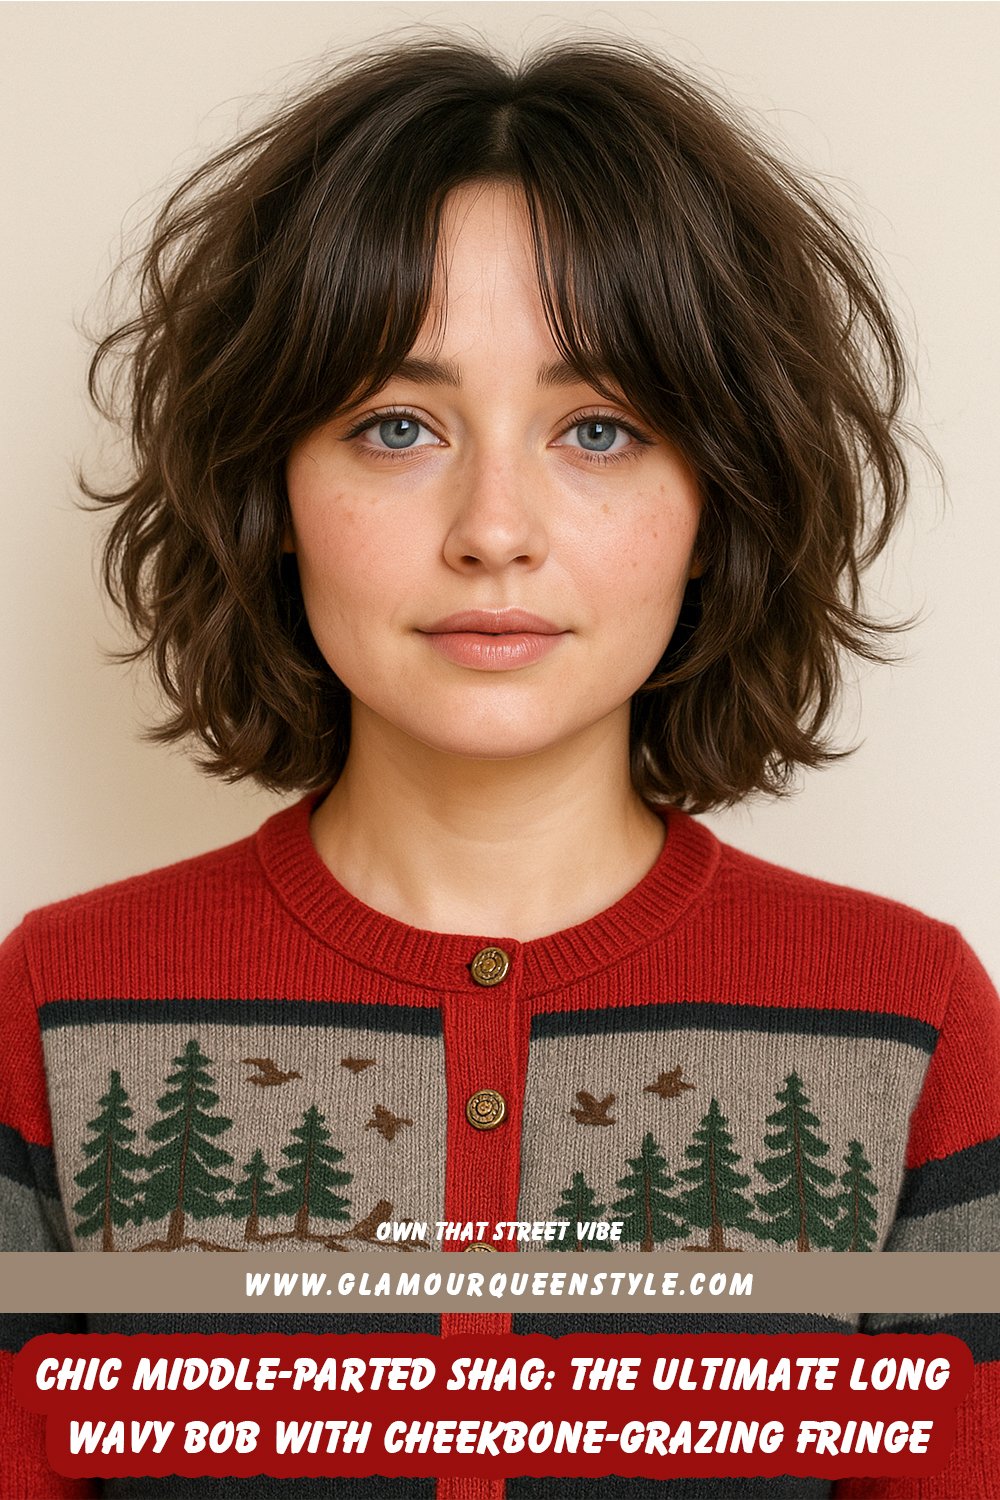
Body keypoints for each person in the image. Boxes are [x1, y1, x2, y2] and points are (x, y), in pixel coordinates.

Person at [0, 35, 996, 1500]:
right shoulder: (60, 1008)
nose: (495, 529)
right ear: (272, 490)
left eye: (600, 430)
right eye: (396, 427)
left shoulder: (905, 1025)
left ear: (718, 500)